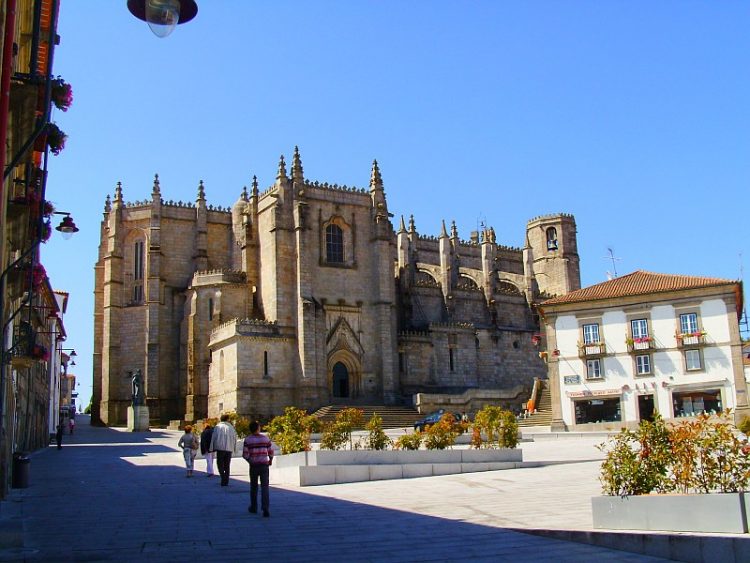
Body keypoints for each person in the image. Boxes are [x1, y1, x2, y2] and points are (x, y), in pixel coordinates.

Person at [242, 421, 274, 517]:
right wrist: (270, 459)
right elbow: (270, 451)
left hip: (254, 465)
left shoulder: (248, 440)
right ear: (258, 428)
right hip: (264, 465)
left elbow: (245, 454)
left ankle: (254, 507)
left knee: (253, 487)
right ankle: (265, 508)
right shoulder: (265, 438)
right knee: (265, 487)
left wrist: (250, 460)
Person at [210, 414, 237, 486]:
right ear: (227, 419)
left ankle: (223, 477)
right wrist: (234, 448)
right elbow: (235, 438)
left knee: (220, 464)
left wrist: (212, 447)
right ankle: (226, 480)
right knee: (227, 465)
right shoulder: (231, 428)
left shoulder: (218, 427)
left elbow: (214, 437)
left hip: (220, 448)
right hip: (229, 449)